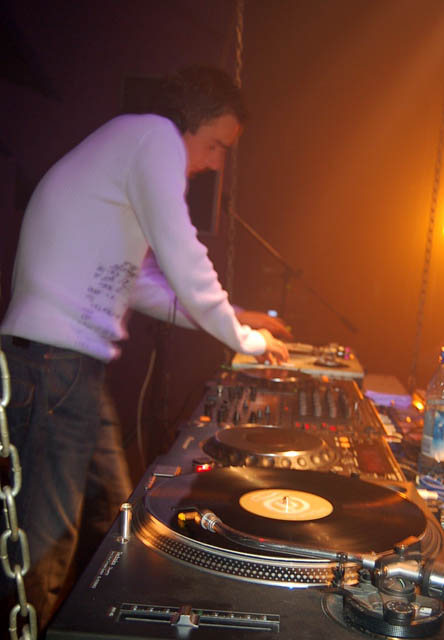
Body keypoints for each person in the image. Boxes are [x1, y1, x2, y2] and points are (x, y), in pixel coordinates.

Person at [0, 66, 290, 633]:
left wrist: (234, 317)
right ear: (192, 122)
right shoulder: (153, 136)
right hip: (54, 365)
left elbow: (141, 285)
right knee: (48, 544)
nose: (214, 163)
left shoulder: (128, 145)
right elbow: (185, 257)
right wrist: (248, 341)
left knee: (117, 523)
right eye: (216, 145)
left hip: (67, 369)